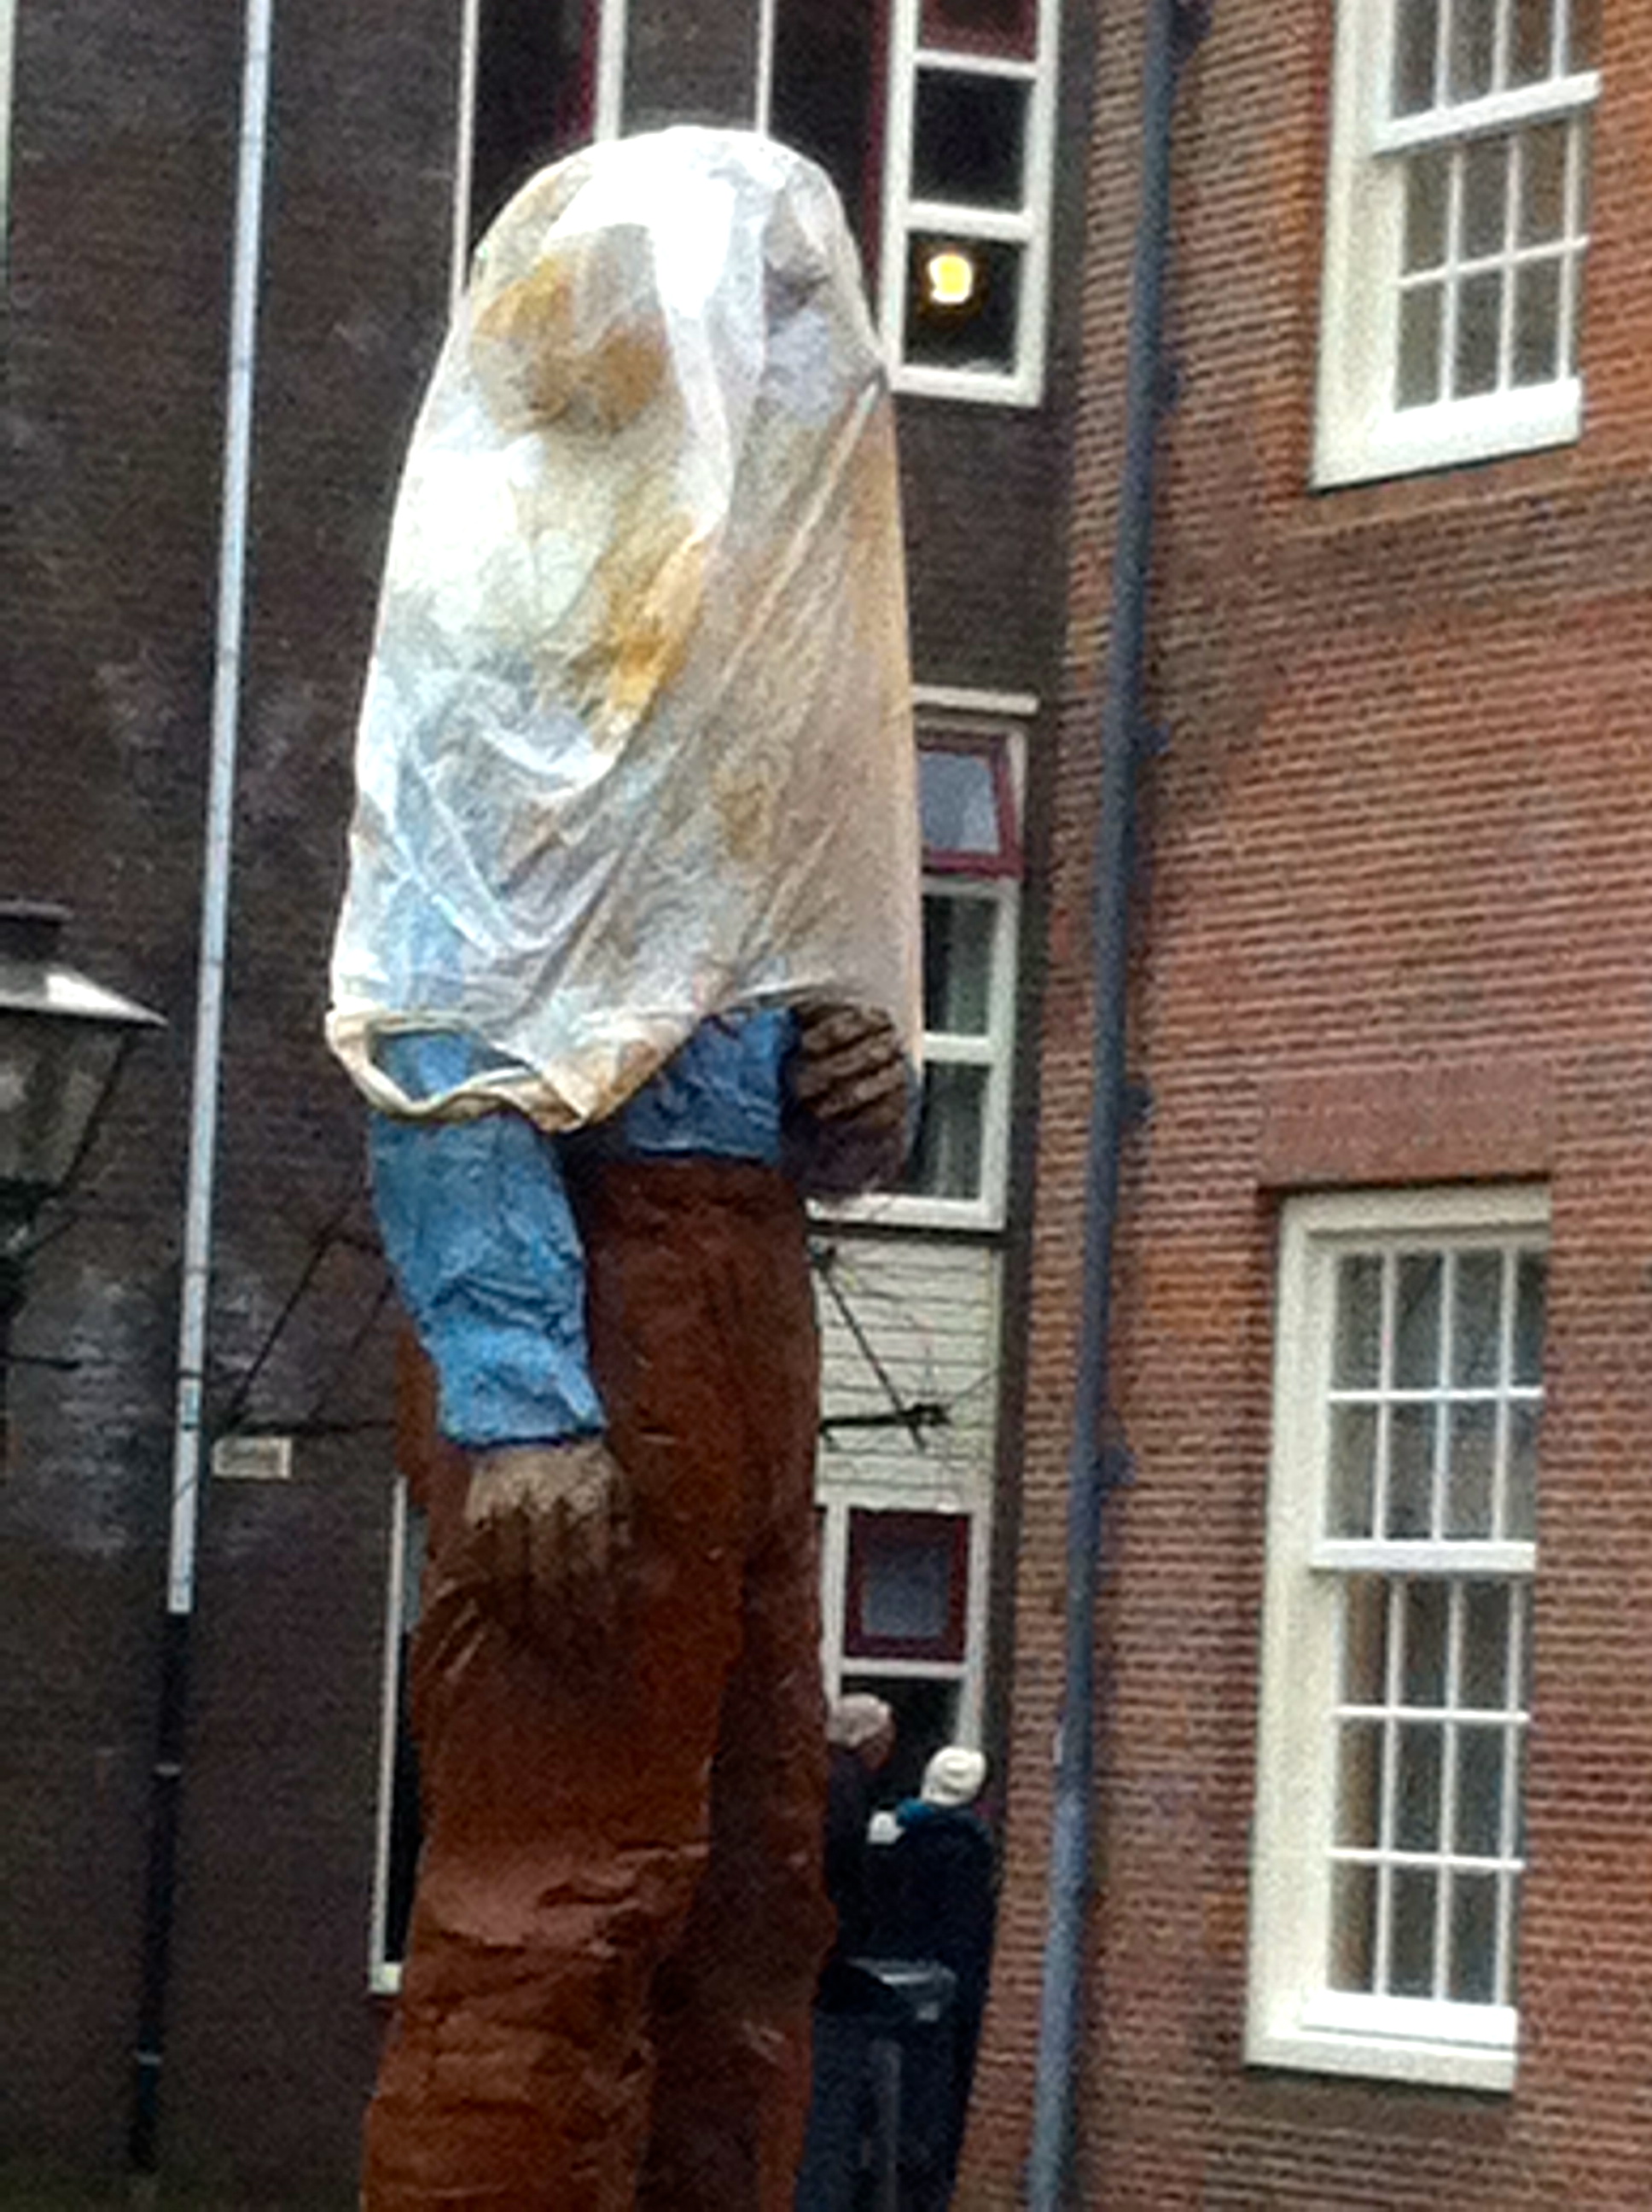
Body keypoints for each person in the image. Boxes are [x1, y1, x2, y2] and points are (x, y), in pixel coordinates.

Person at [328, 128, 922, 2212]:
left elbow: (760, 1020)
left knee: (754, 1893)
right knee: (561, 1892)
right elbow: (433, 1009)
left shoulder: (746, 664)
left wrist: (850, 1087)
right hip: (598, 1299)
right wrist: (519, 1395)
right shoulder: (511, 633)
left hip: (737, 1307)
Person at [879, 1747, 997, 2208]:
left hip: (902, 1978)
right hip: (950, 1987)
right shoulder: (969, 1851)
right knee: (940, 2094)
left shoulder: (905, 1840)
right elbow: (965, 1928)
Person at [794, 1696, 899, 2211]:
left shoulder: (822, 1775)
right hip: (829, 1951)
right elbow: (840, 1859)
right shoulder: (847, 1785)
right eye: (885, 1740)